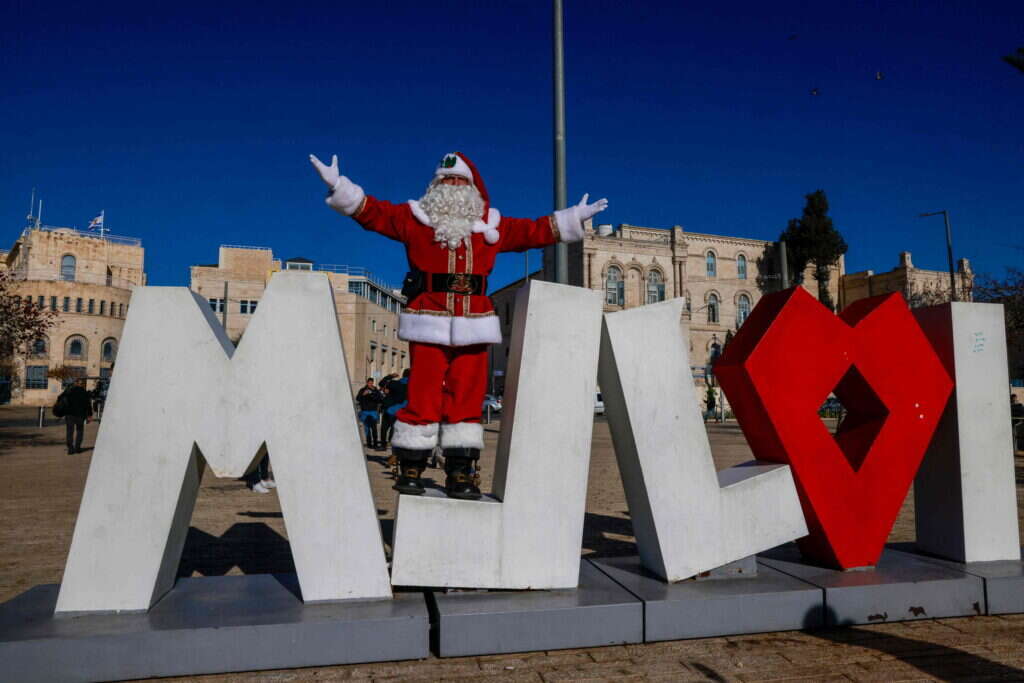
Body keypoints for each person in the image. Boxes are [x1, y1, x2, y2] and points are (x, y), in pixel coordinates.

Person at [311, 151, 607, 499]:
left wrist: (573, 218)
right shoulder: (413, 218)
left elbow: (533, 230)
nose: (450, 186)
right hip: (429, 315)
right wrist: (340, 185)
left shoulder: (492, 225)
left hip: (475, 320)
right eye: (444, 181)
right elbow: (374, 212)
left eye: (458, 181)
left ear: (472, 189)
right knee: (422, 389)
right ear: (434, 187)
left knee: (467, 392)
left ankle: (460, 470)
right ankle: (411, 465)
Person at [59, 379, 93, 454]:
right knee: (80, 431)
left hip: (70, 415)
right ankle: (77, 448)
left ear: (75, 383)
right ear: (81, 384)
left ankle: (70, 449)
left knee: (69, 432)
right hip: (80, 415)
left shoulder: (69, 391)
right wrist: (89, 415)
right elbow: (88, 405)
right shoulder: (84, 392)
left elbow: (62, 401)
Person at [355, 378, 383, 449]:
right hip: (365, 412)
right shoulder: (362, 390)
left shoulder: (376, 390)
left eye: (371, 383)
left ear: (373, 383)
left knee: (374, 428)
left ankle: (375, 443)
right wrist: (363, 394)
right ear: (367, 383)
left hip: (373, 411)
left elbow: (380, 398)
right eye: (369, 383)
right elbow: (358, 398)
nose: (370, 384)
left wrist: (372, 394)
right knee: (367, 428)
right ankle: (369, 443)